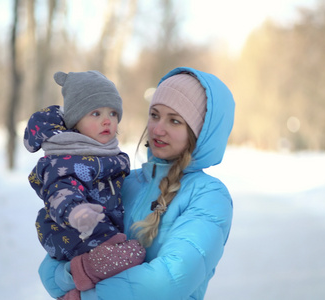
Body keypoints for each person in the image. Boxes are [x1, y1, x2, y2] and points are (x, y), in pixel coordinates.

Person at [38, 66, 235, 300]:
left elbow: (170, 279)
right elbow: (49, 268)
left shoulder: (208, 196)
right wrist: (79, 271)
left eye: (174, 121)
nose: (158, 129)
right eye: (154, 115)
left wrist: (85, 296)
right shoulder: (123, 181)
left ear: (200, 133)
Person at [24, 70, 146, 300]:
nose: (107, 120)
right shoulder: (67, 157)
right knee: (131, 258)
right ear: (75, 120)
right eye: (96, 113)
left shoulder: (105, 154)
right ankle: (85, 271)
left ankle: (74, 294)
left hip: (96, 231)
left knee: (121, 266)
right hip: (70, 230)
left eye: (113, 112)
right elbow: (61, 190)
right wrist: (76, 211)